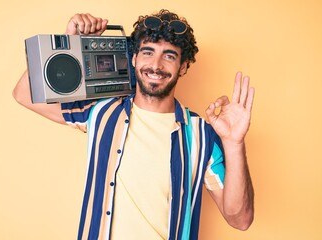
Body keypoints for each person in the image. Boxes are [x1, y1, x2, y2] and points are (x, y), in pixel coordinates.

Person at [13, 9, 254, 240]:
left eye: (169, 56)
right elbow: (23, 94)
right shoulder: (102, 112)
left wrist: (234, 144)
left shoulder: (202, 135)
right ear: (135, 58)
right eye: (148, 52)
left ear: (183, 67)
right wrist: (69, 43)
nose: (156, 65)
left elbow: (240, 219)